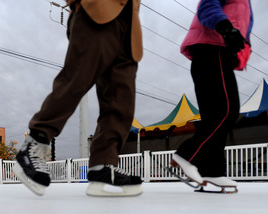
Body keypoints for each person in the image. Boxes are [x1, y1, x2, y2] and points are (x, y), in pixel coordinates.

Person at [13, 0, 144, 196]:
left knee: (121, 100)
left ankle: (102, 165)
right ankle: (35, 143)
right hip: (97, 10)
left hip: (130, 24)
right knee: (76, 79)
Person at [171, 0, 253, 192]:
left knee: (214, 116)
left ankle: (212, 170)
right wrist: (226, 28)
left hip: (215, 53)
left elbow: (243, 32)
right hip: (213, 49)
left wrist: (238, 52)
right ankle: (186, 154)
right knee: (227, 112)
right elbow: (207, 5)